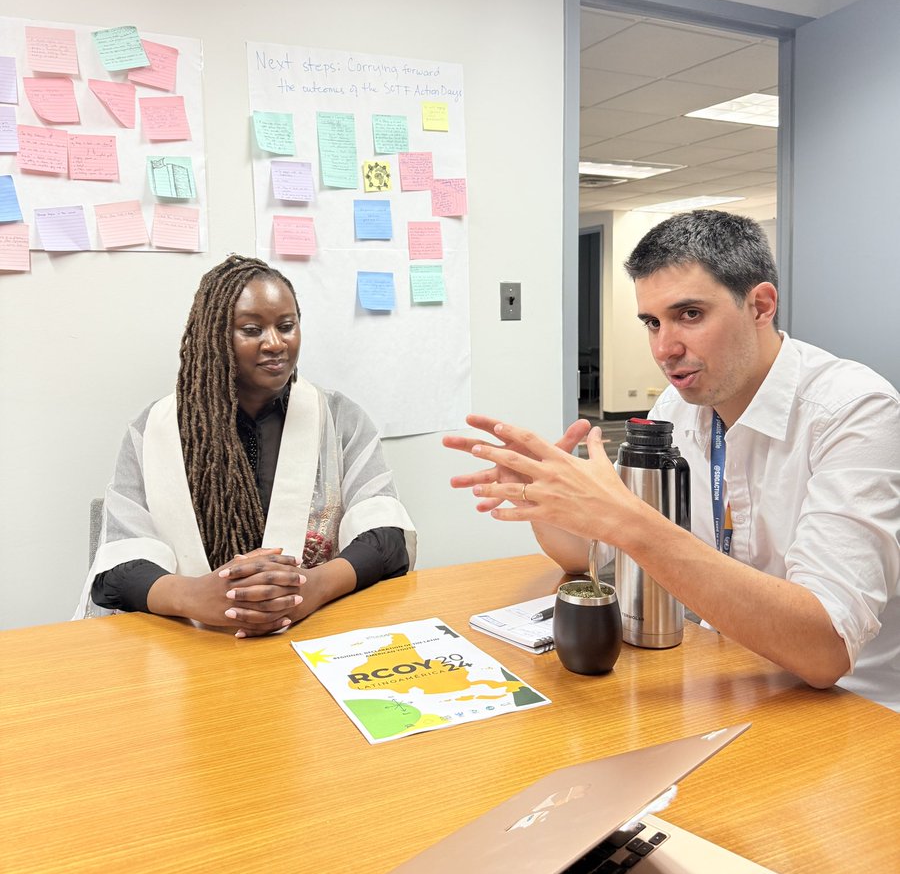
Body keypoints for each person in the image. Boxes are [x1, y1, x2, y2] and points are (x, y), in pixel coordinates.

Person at [444, 210, 900, 711]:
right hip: (722, 677)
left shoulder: (855, 411)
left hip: (849, 711)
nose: (664, 348)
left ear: (760, 306)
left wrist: (627, 521)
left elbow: (823, 650)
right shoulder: (677, 408)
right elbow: (594, 555)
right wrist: (544, 496)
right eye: (652, 323)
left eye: (690, 314)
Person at [75, 254, 415, 637]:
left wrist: (312, 586)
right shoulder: (155, 430)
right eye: (252, 330)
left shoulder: (339, 419)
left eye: (286, 326)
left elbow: (387, 537)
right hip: (189, 640)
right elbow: (118, 567)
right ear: (214, 335)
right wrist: (194, 596)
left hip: (313, 631)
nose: (275, 343)